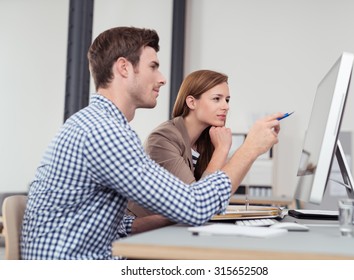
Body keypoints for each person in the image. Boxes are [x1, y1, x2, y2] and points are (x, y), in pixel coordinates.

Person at [21, 26, 283, 260]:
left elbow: (113, 223)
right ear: (124, 67)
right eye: (153, 67)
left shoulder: (97, 124)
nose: (162, 78)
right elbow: (196, 206)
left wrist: (170, 214)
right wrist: (251, 148)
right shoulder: (105, 133)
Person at [128, 70, 233, 218]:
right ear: (191, 102)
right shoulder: (162, 139)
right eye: (217, 99)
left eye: (227, 100)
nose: (226, 106)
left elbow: (220, 196)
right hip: (144, 232)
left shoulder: (207, 140)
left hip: (175, 228)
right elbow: (199, 203)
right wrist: (221, 150)